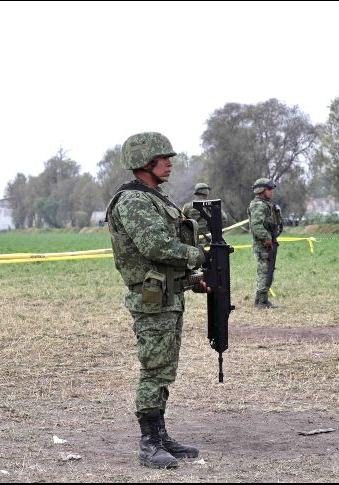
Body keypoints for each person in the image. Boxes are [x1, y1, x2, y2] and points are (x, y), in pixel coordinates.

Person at [105, 132, 208, 469]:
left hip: (166, 294)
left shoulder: (156, 198)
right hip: (151, 299)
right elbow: (156, 248)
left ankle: (160, 435)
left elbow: (163, 261)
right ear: (144, 161)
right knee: (154, 369)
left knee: (165, 369)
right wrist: (199, 256)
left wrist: (193, 280)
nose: (170, 163)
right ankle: (149, 443)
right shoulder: (134, 200)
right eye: (163, 158)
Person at [248, 178, 282, 309]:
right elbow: (256, 225)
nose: (272, 192)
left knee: (268, 271)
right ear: (261, 190)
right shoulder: (258, 205)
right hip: (263, 244)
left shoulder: (266, 204)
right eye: (269, 189)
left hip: (269, 243)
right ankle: (261, 302)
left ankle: (262, 300)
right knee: (264, 272)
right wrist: (266, 238)